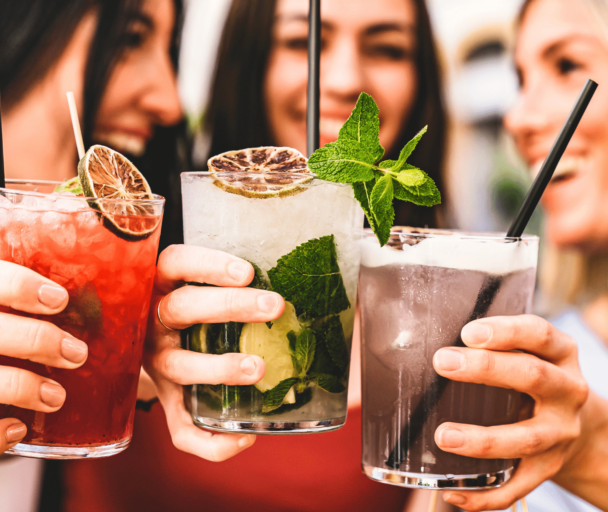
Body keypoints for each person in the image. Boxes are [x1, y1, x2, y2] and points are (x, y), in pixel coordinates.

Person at [60, 0, 451, 511]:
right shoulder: (131, 252)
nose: (345, 79)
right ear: (249, 61)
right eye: (302, 42)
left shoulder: (447, 305)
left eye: (388, 49)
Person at [0, 0, 285, 511]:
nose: (170, 100)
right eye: (130, 38)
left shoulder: (49, 254)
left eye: (167, 49)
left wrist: (127, 345)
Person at [421, 0, 608, 510]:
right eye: (521, 80)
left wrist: (595, 446)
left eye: (567, 65)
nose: (519, 117)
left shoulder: (555, 404)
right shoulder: (536, 374)